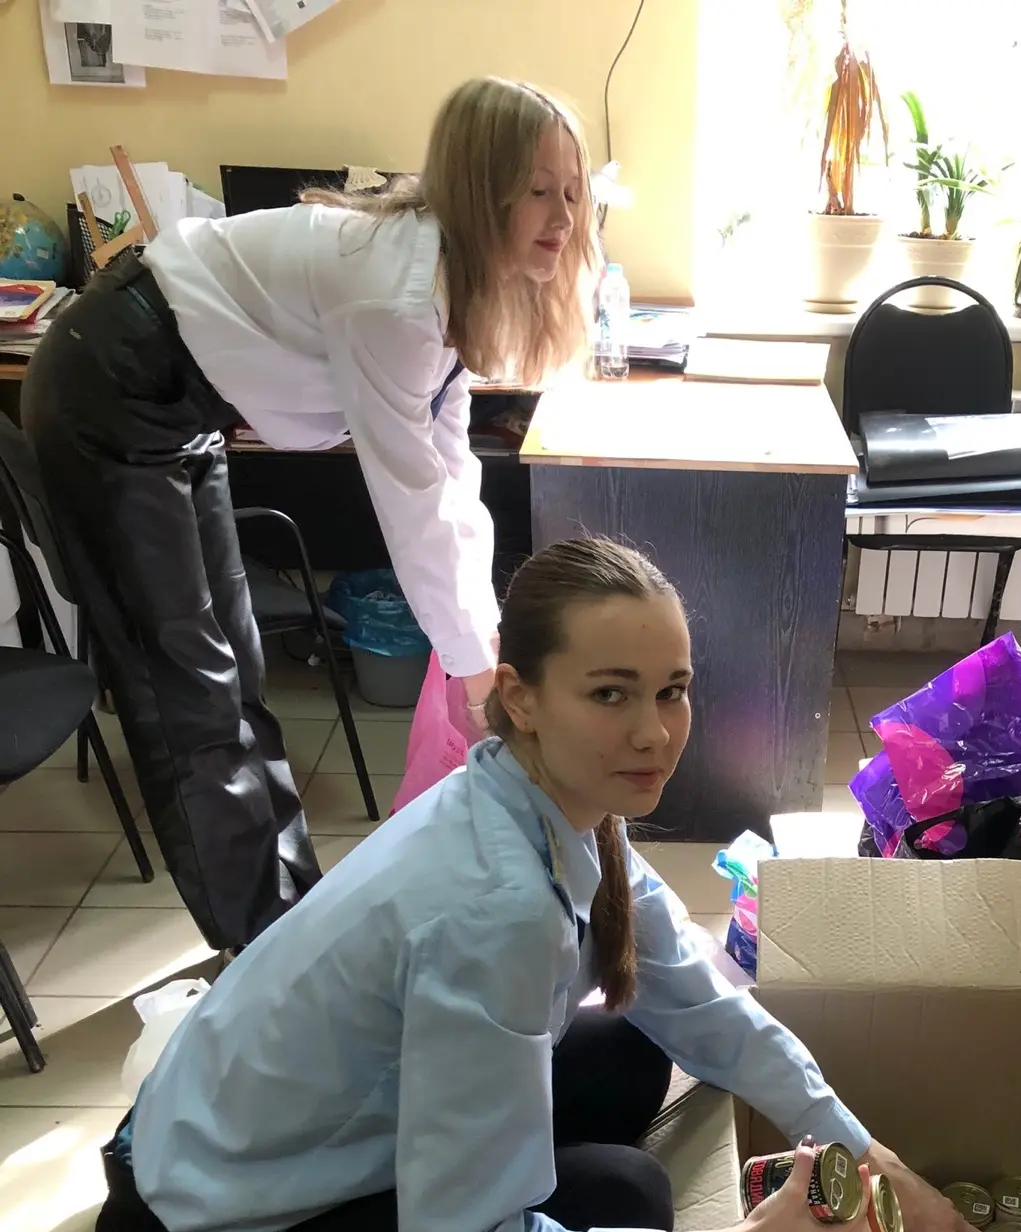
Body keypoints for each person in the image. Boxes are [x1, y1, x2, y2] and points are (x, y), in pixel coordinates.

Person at [75, 538, 981, 1232]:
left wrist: (881, 1163)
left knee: (633, 1046)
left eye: (672, 691)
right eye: (610, 694)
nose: (654, 732)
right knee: (624, 1204)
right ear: (521, 696)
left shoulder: (549, 801)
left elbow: (708, 1012)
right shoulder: (496, 910)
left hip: (233, 1161)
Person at [23, 76, 596, 953]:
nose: (562, 217)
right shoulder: (398, 294)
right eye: (538, 191)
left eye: (574, 192)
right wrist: (477, 676)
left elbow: (451, 471)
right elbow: (408, 498)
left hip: (175, 394)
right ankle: (263, 955)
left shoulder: (455, 278)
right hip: (110, 382)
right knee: (190, 690)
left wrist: (483, 640)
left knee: (236, 665)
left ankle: (290, 922)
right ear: (483, 193)